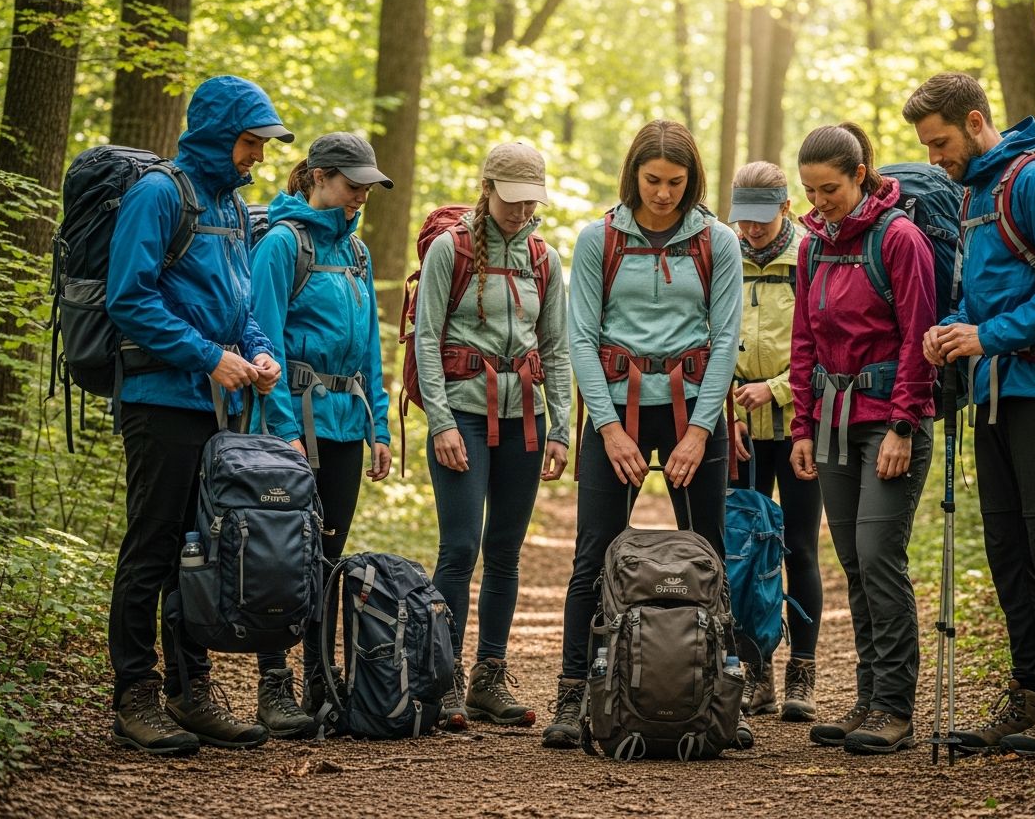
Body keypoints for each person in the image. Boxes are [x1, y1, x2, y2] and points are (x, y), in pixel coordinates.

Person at [904, 72, 1035, 755]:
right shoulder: (976, 195)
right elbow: (979, 301)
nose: (934, 158)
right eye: (927, 148)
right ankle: (1030, 695)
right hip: (992, 393)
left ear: (976, 119)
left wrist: (986, 337)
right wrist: (950, 330)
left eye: (940, 143)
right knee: (1009, 554)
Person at [106, 75, 292, 755]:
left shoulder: (236, 210)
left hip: (220, 404)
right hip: (161, 402)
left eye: (262, 146)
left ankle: (191, 692)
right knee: (154, 547)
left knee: (200, 552)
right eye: (250, 143)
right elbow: (129, 298)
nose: (258, 158)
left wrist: (261, 353)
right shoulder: (159, 194)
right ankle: (134, 696)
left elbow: (243, 309)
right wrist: (208, 355)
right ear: (218, 135)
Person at [542, 119, 743, 749]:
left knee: (711, 551)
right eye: (652, 180)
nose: (662, 193)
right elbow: (580, 338)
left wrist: (699, 432)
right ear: (633, 175)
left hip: (693, 413)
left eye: (675, 183)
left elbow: (725, 340)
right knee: (592, 555)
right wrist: (607, 428)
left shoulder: (719, 241)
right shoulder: (597, 238)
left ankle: (718, 696)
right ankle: (575, 696)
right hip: (617, 414)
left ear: (693, 181)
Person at [788, 122, 936, 755]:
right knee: (852, 561)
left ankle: (895, 707)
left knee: (879, 558)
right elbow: (804, 340)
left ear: (860, 175)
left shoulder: (899, 239)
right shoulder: (813, 246)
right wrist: (801, 424)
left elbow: (918, 339)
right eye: (810, 191)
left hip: (890, 423)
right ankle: (867, 699)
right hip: (830, 423)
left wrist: (905, 423)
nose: (819, 202)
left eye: (829, 190)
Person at [414, 142, 571, 729]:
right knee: (460, 548)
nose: (521, 211)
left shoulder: (544, 258)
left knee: (505, 551)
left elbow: (555, 349)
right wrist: (442, 421)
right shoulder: (449, 253)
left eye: (532, 201)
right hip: (464, 414)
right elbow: (425, 339)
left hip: (524, 419)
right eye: (511, 200)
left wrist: (560, 428)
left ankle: (489, 677)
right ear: (487, 189)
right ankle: (444, 676)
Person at [246, 132, 395, 738]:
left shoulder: (356, 253)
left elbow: (371, 349)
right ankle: (273, 684)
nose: (360, 196)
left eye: (366, 188)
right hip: (292, 428)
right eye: (352, 184)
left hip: (343, 426)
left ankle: (321, 681)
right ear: (317, 177)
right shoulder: (283, 244)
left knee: (327, 558)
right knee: (285, 558)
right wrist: (282, 430)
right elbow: (263, 336)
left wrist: (378, 424)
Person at [727, 161, 823, 722]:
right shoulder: (722, 255)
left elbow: (823, 343)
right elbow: (709, 337)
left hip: (797, 427)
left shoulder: (810, 255)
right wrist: (726, 408)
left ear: (786, 208)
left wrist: (780, 390)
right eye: (744, 219)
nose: (752, 230)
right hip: (737, 427)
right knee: (740, 548)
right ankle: (752, 668)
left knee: (800, 547)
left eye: (762, 218)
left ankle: (802, 675)